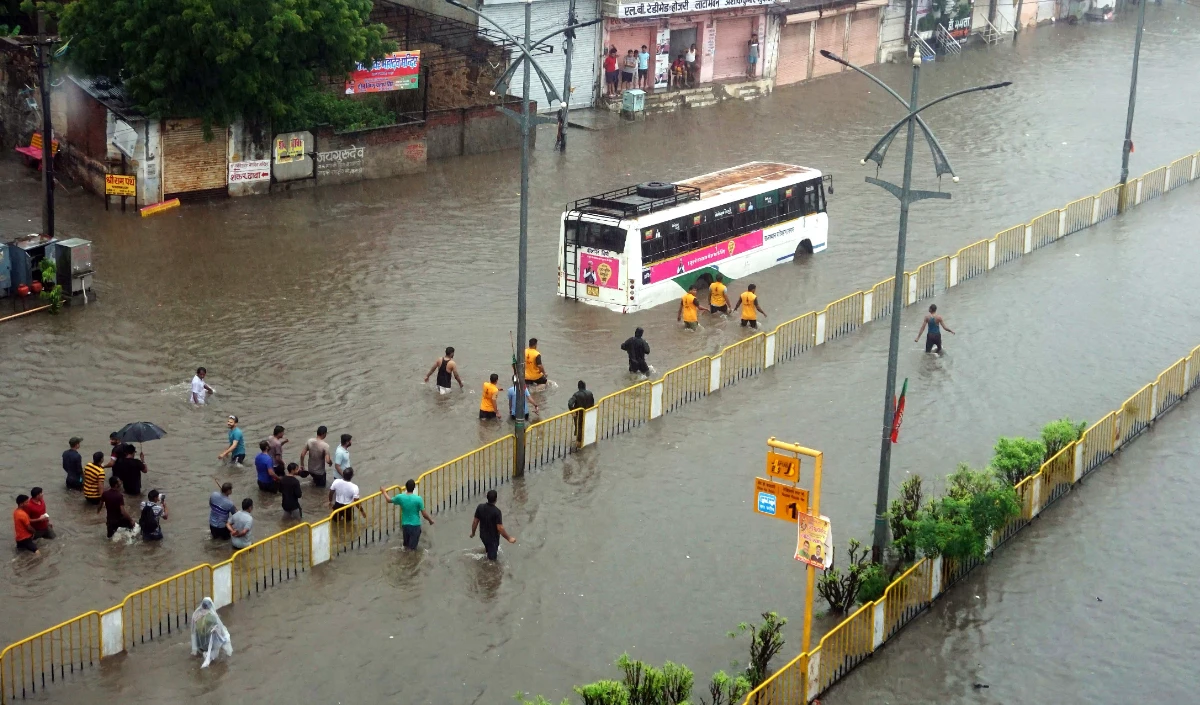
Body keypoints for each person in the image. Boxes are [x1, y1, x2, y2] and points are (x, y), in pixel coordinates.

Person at [382, 479, 434, 550]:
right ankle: (411, 560)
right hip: (415, 526)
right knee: (412, 549)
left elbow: (389, 500)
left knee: (405, 546)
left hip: (405, 525)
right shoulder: (418, 499)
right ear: (414, 488)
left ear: (406, 487)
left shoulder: (401, 497)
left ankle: (404, 559)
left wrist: (384, 492)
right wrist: (430, 520)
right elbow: (424, 514)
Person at [470, 489, 516, 561]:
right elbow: (500, 528)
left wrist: (473, 533)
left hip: (482, 536)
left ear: (487, 497)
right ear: (496, 499)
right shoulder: (497, 512)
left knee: (488, 551)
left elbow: (475, 522)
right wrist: (509, 538)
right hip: (492, 539)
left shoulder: (480, 507)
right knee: (492, 562)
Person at [190, 597, 233, 668]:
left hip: (199, 643)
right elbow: (221, 630)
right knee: (223, 640)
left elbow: (193, 631)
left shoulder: (195, 614)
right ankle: (209, 656)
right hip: (209, 643)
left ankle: (201, 654)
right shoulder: (212, 616)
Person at [567, 380, 595, 444]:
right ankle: (588, 439)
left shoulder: (576, 395)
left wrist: (573, 411)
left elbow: (570, 403)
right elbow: (592, 403)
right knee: (588, 426)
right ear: (585, 386)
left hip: (579, 414)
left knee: (579, 427)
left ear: (578, 387)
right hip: (589, 413)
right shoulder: (590, 393)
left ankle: (579, 442)